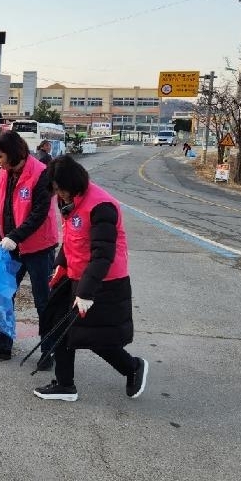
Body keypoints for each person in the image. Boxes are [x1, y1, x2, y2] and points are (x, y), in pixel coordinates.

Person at [33, 155, 148, 402]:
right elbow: (72, 238)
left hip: (102, 281)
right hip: (74, 275)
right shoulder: (71, 201)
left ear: (71, 183)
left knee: (95, 337)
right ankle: (65, 385)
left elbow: (103, 255)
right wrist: (60, 265)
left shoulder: (100, 205)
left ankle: (133, 367)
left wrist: (85, 292)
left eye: (60, 190)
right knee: (60, 328)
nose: (58, 196)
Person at [0, 130, 58, 362]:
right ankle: (3, 344)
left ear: (13, 153)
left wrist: (15, 236)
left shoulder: (41, 173)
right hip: (10, 247)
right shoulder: (4, 173)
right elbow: (0, 210)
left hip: (38, 247)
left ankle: (47, 351)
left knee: (43, 299)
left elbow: (39, 213)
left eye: (0, 156)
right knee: (3, 294)